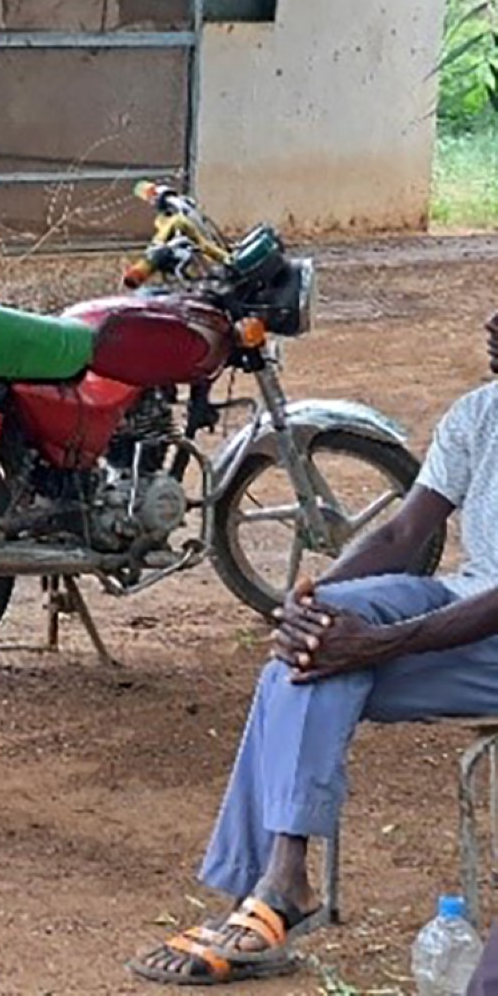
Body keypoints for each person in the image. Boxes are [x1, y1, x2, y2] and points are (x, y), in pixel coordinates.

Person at [131, 309, 498, 985]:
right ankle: (280, 881)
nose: (494, 322)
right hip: (460, 609)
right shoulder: (482, 412)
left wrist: (380, 642)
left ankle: (270, 890)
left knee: (325, 656)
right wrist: (310, 597)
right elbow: (402, 532)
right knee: (314, 641)